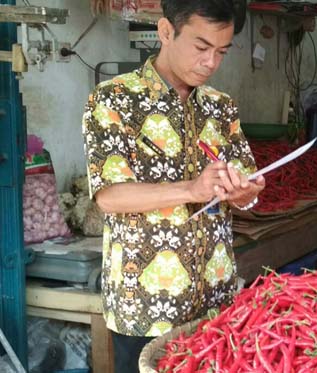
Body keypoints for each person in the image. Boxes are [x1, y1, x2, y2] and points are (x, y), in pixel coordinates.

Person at [81, 1, 265, 371]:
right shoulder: (114, 100)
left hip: (216, 302)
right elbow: (110, 197)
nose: (211, 62)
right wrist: (192, 190)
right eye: (201, 48)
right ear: (166, 32)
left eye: (221, 52)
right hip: (146, 306)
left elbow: (247, 187)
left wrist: (246, 193)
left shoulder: (221, 108)